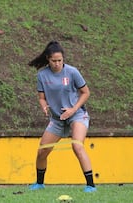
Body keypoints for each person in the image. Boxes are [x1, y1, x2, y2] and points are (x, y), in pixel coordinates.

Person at [28, 41, 96, 193]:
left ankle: (91, 185)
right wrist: (44, 106)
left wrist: (73, 110)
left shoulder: (72, 72)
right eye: (54, 61)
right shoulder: (42, 75)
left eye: (60, 60)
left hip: (77, 115)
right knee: (42, 151)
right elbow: (41, 97)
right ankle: (39, 183)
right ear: (48, 59)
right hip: (57, 120)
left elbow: (86, 92)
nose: (57, 63)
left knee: (77, 145)